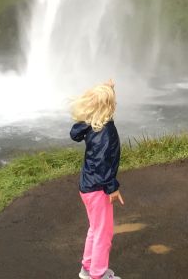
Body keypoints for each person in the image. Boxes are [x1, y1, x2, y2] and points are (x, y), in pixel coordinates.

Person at [70, 79, 124, 279]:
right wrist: (112, 188)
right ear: (109, 107)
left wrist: (108, 89)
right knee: (104, 233)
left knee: (95, 228)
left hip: (87, 186)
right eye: (113, 102)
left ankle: (88, 268)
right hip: (98, 188)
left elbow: (76, 132)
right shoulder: (106, 132)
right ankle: (98, 275)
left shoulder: (91, 124)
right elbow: (104, 165)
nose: (116, 104)